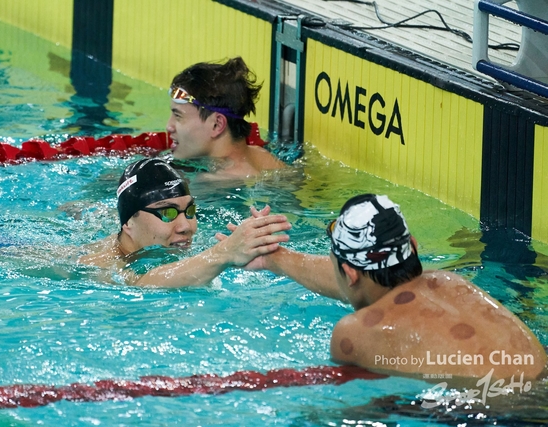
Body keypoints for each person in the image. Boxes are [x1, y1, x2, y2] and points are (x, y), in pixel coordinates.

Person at [232, 194, 548, 381]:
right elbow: (356, 280)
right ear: (412, 245)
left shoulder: (353, 333)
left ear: (349, 273)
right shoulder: (448, 281)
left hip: (500, 414)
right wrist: (276, 258)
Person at [79, 158, 291, 287]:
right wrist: (224, 253)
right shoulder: (96, 263)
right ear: (128, 223)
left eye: (189, 211)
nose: (186, 227)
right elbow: (140, 284)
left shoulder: (168, 242)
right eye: (167, 213)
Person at [166, 57, 285, 178]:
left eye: (178, 116)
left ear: (217, 124)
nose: (169, 126)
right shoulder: (265, 157)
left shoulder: (215, 182)